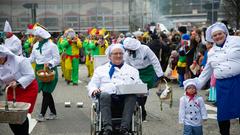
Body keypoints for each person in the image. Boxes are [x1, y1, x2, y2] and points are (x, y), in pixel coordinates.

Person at [184, 22, 240, 135]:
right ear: (212, 38)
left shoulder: (237, 41)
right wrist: (193, 85)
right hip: (222, 85)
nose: (218, 36)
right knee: (223, 115)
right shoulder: (211, 52)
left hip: (238, 81)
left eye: (220, 34)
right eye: (215, 35)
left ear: (225, 33)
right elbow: (206, 73)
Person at [88, 44, 143, 135]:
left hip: (125, 100)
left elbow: (139, 84)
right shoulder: (100, 69)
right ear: (110, 56)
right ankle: (107, 128)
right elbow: (92, 84)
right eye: (115, 53)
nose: (118, 56)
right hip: (107, 99)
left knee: (132, 96)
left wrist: (142, 90)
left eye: (120, 53)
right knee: (104, 95)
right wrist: (94, 90)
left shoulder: (132, 70)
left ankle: (124, 128)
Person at [123, 37, 164, 121]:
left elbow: (154, 60)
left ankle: (142, 108)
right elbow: (126, 66)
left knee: (143, 91)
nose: (129, 51)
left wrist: (160, 74)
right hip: (135, 72)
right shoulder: (126, 54)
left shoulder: (145, 49)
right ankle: (141, 108)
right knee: (136, 91)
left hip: (147, 71)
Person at [0, 46, 38, 135]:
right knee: (10, 114)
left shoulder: (20, 60)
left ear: (3, 56)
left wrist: (17, 82)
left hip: (27, 88)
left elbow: (30, 75)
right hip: (10, 89)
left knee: (20, 114)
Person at [29, 26, 60, 122]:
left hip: (49, 70)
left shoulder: (52, 45)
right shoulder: (35, 45)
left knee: (46, 92)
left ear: (43, 36)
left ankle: (42, 114)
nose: (36, 38)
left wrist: (50, 63)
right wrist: (21, 61)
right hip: (38, 70)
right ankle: (53, 113)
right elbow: (32, 59)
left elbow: (57, 59)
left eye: (38, 36)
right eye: (36, 36)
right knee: (46, 92)